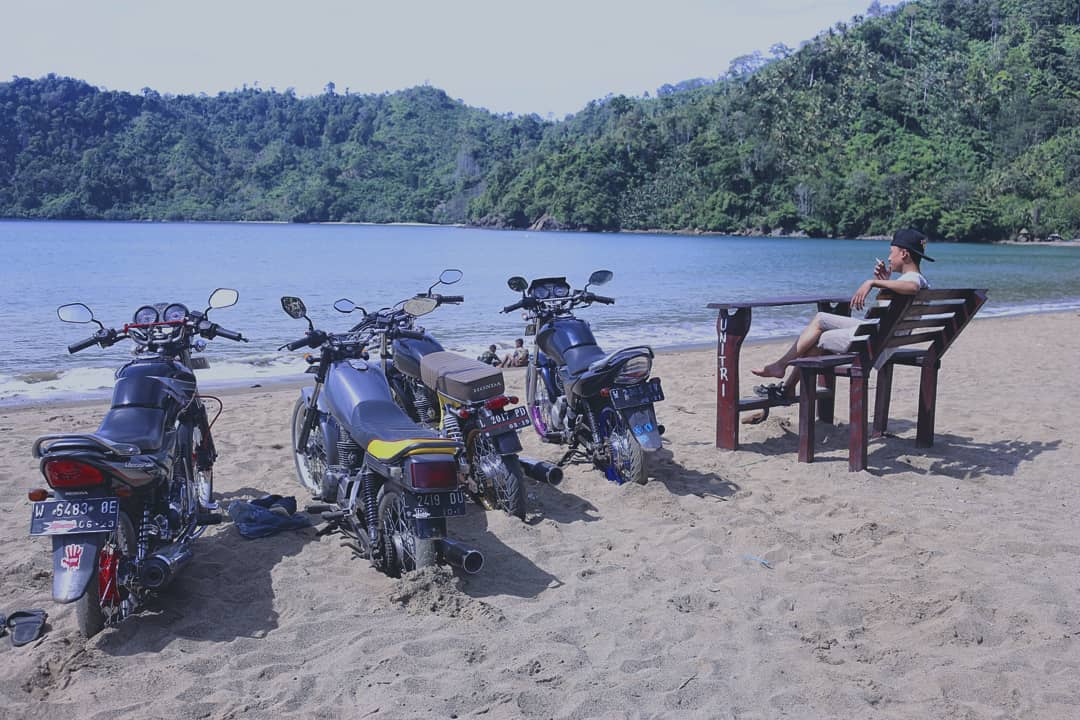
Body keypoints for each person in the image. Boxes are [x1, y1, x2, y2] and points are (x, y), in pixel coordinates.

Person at [750, 228, 933, 400]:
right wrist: (885, 281)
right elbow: (895, 308)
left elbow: (912, 287)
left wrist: (872, 283)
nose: (889, 257)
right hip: (882, 335)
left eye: (891, 251)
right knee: (821, 319)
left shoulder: (914, 281)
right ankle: (784, 376)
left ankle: (784, 376)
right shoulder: (918, 281)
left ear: (904, 254)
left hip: (875, 341)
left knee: (818, 339)